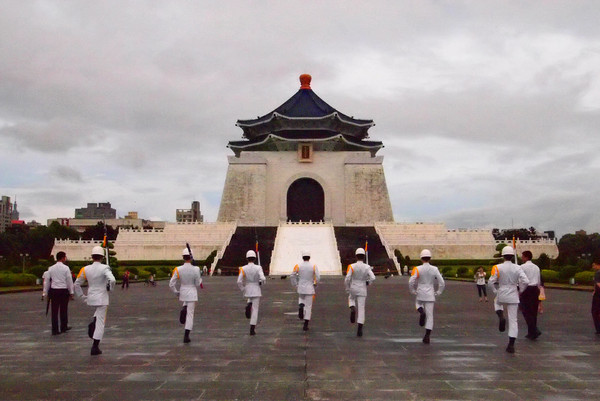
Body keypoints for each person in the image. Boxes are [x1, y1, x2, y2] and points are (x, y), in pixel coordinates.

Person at [74, 246, 116, 355]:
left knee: (98, 317)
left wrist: (82, 297)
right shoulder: (105, 268)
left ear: (92, 257)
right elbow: (112, 280)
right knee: (100, 323)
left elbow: (76, 284)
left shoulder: (85, 269)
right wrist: (110, 288)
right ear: (102, 257)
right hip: (102, 298)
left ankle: (93, 322)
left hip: (91, 298)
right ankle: (95, 346)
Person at [488, 246, 529, 353]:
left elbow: (490, 282)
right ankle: (511, 344)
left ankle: (501, 315)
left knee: (497, 302)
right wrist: (520, 291)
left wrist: (495, 291)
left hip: (502, 291)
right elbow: (526, 281)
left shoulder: (497, 267)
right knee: (513, 320)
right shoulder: (518, 267)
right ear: (512, 256)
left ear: (503, 256)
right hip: (513, 292)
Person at [408, 249, 445, 344]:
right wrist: (439, 292)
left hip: (420, 292)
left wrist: (412, 290)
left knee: (418, 303)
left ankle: (421, 311)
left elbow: (411, 281)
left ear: (421, 258)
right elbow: (442, 282)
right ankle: (427, 335)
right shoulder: (435, 269)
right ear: (430, 258)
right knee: (430, 316)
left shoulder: (417, 268)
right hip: (430, 294)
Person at [169, 247, 202, 343]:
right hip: (192, 292)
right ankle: (186, 336)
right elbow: (197, 283)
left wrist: (176, 292)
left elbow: (171, 284)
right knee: (190, 315)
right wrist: (200, 280)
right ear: (191, 257)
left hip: (183, 292)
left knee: (187, 305)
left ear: (183, 257)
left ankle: (184, 307)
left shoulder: (178, 269)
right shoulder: (196, 269)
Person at [344, 248, 375, 337]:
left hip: (353, 286)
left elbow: (347, 278)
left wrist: (347, 287)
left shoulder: (352, 266)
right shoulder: (367, 267)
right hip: (362, 288)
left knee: (351, 298)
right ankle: (360, 328)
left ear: (356, 256)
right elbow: (373, 277)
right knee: (361, 309)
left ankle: (352, 307)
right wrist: (368, 282)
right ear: (364, 257)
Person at [42, 251, 74, 335]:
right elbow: (69, 280)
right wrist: (71, 292)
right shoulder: (66, 268)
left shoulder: (51, 268)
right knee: (64, 309)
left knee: (54, 311)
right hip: (63, 290)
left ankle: (55, 329)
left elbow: (47, 281)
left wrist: (45, 292)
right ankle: (63, 327)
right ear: (63, 258)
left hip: (54, 290)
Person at [290, 250, 320, 331]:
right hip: (310, 287)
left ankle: (301, 305)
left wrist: (295, 284)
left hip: (301, 287)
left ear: (302, 257)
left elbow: (292, 275)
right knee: (309, 306)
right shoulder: (313, 266)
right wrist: (315, 283)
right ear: (309, 257)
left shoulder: (298, 265)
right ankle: (306, 324)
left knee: (301, 298)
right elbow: (318, 276)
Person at [237, 250, 266, 335]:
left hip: (248, 288)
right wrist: (261, 282)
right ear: (254, 258)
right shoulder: (258, 268)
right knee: (255, 310)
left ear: (247, 258)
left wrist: (243, 289)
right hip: (256, 288)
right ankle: (252, 328)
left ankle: (249, 303)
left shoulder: (243, 268)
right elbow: (263, 278)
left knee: (250, 299)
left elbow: (239, 281)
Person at [519, 250, 543, 340]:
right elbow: (539, 280)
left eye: (522, 256)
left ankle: (534, 330)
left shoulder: (522, 267)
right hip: (535, 289)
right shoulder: (536, 267)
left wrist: (521, 291)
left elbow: (521, 280)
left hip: (527, 289)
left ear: (526, 257)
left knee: (526, 311)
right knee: (533, 312)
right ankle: (531, 333)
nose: (521, 258)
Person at [591, 260, 600, 335]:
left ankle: (598, 329)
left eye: (594, 265)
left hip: (598, 295)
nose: (593, 267)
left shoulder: (598, 273)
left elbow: (598, 284)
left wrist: (595, 291)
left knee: (595, 312)